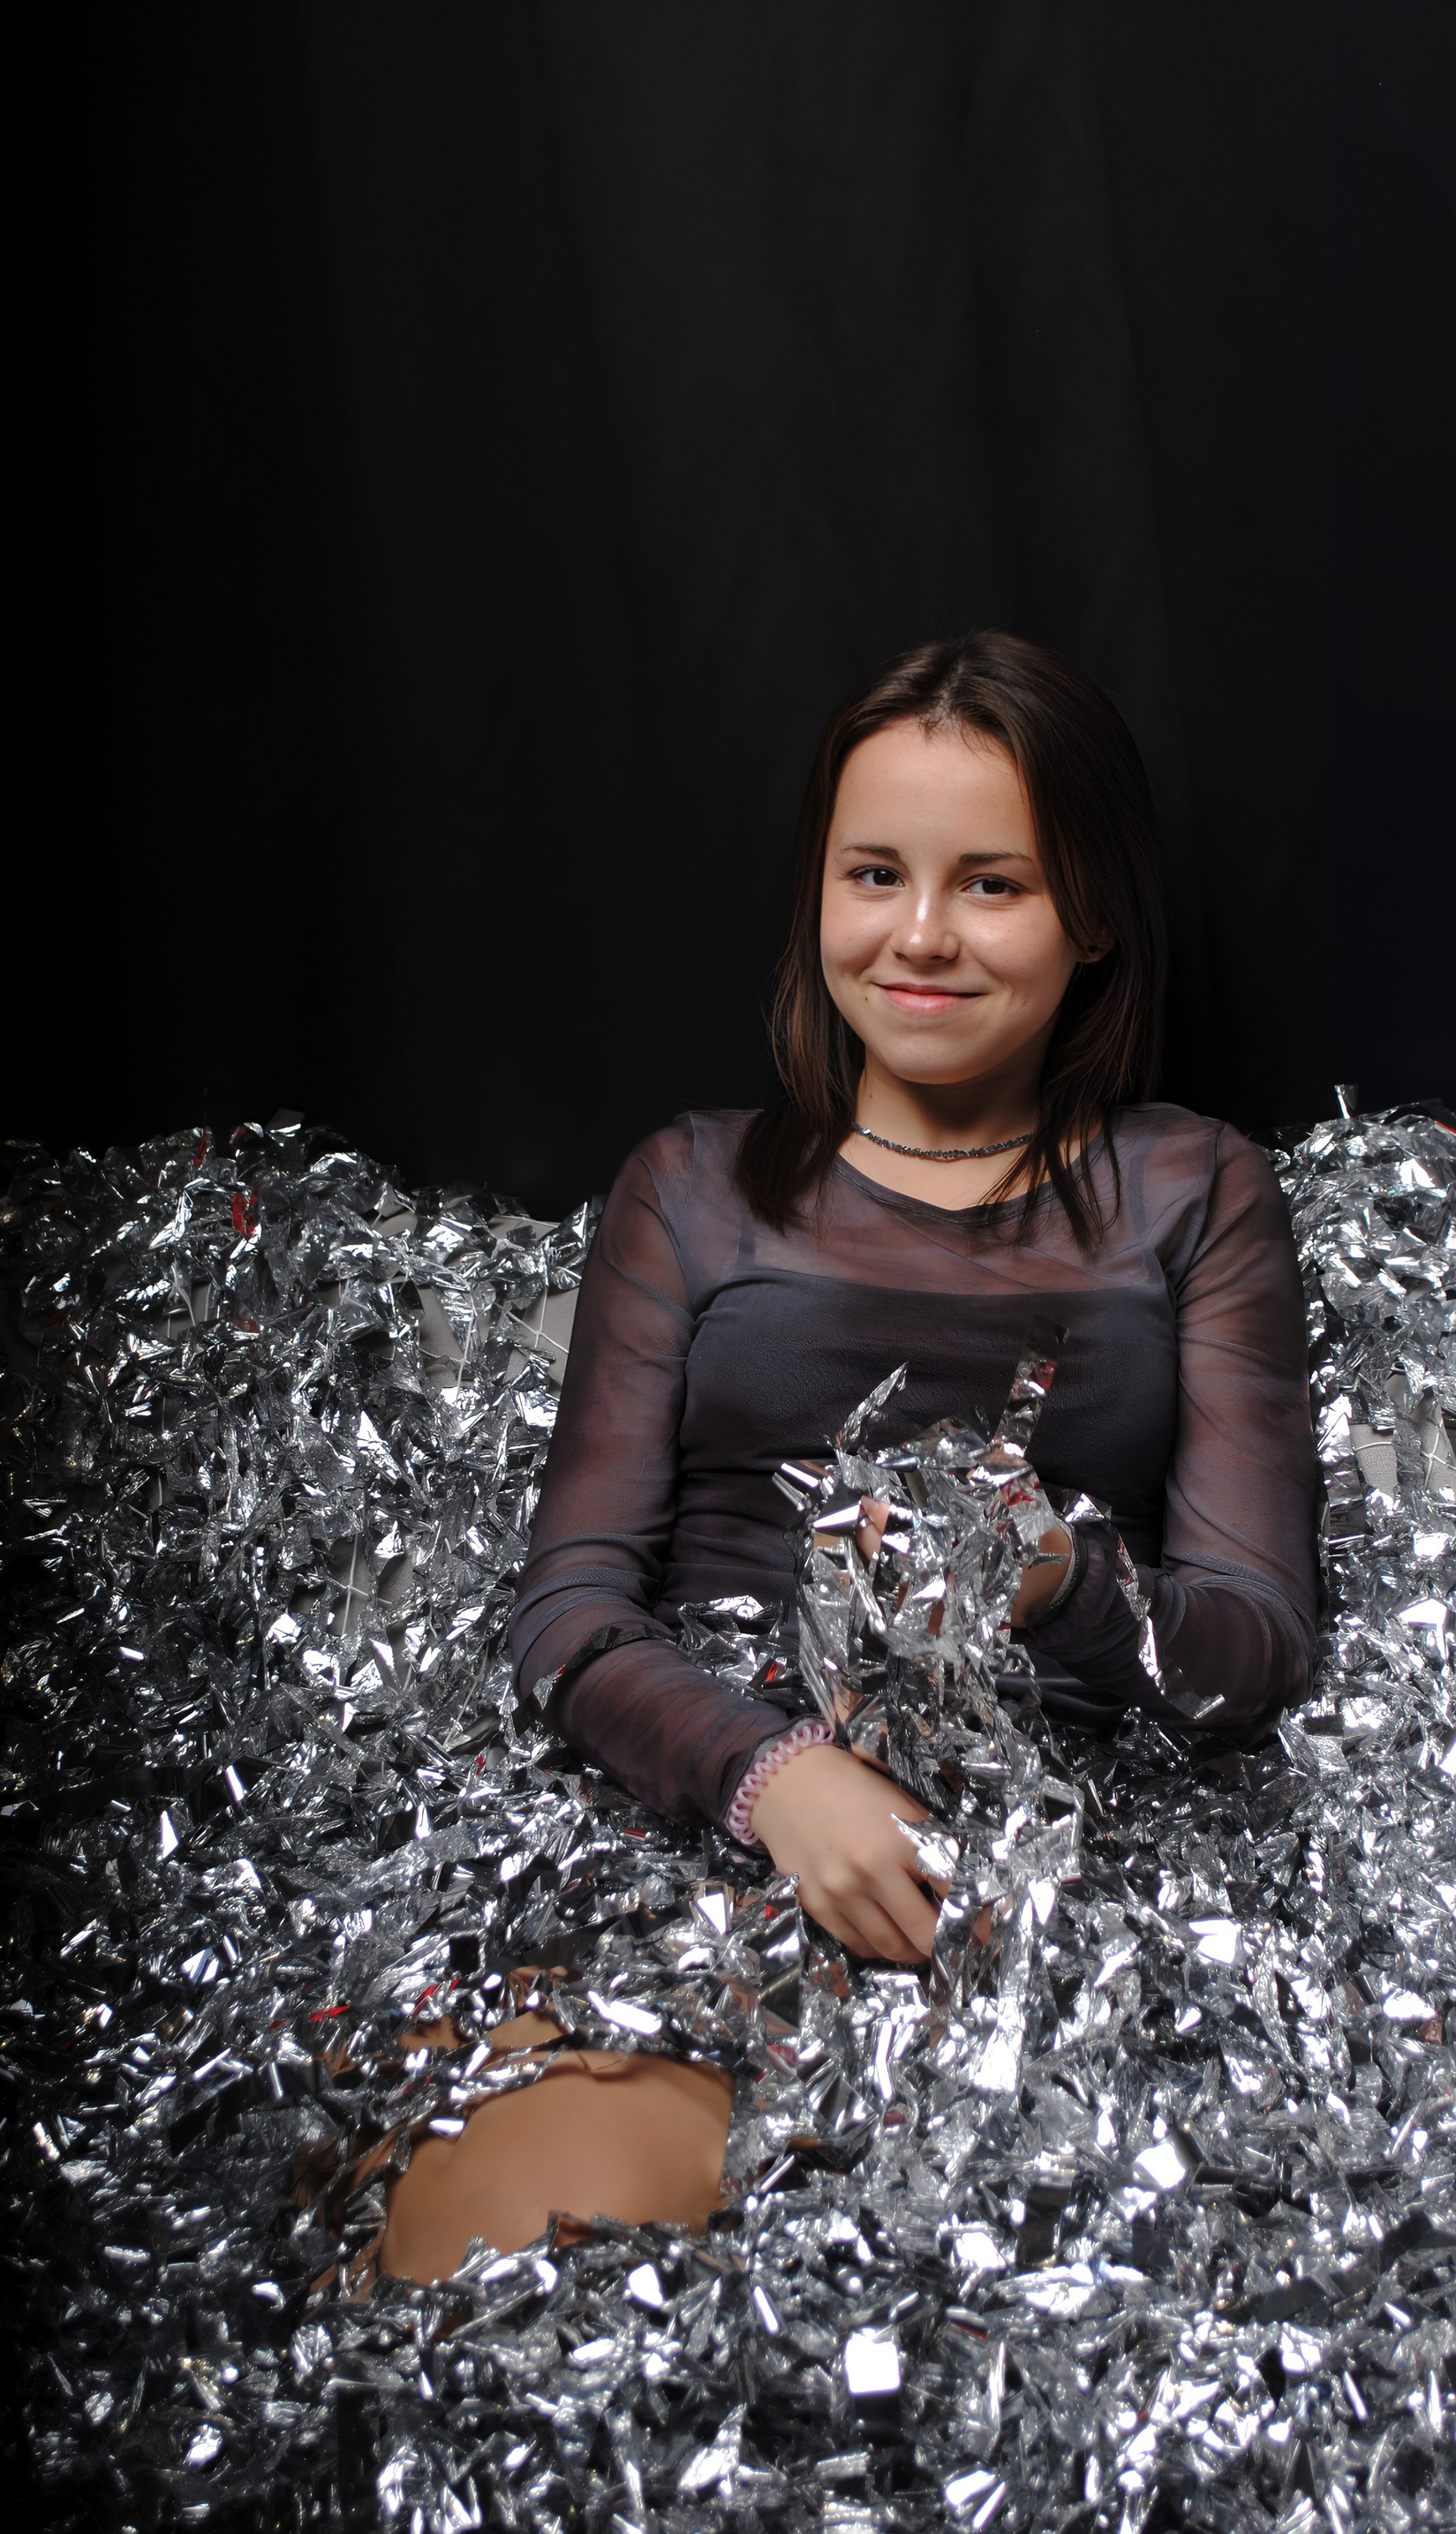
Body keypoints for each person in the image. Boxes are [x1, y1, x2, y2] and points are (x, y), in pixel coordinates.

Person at [382, 630, 1317, 2279]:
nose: (920, 935)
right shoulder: (692, 1182)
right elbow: (570, 1608)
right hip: (697, 1828)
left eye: (993, 884)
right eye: (874, 873)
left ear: (1095, 916)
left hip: (1041, 1874)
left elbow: (1257, 1642)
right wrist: (774, 1779)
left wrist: (1064, 1582)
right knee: (522, 2265)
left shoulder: (1198, 1190)